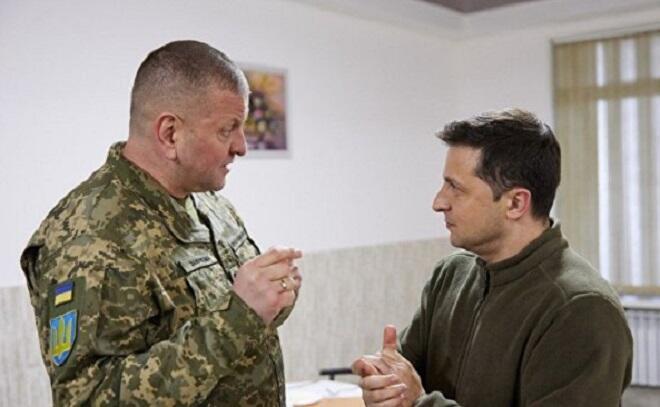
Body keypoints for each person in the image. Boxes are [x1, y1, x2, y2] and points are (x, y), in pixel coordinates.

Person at [20, 40, 302, 406]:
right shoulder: (88, 235)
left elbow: (239, 321)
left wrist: (273, 297)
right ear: (170, 134)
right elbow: (89, 398)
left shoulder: (210, 206)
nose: (241, 146)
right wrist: (237, 318)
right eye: (227, 129)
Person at [352, 108, 632, 406]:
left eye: (456, 188)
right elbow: (403, 378)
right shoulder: (450, 274)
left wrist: (420, 402)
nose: (438, 202)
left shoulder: (581, 309)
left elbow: (415, 398)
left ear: (515, 203)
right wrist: (383, 383)